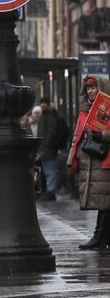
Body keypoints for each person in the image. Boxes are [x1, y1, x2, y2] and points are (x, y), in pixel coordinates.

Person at [68, 76, 110, 250]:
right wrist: (72, 158)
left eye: (93, 87)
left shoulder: (107, 107)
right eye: (88, 88)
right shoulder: (84, 110)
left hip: (105, 161)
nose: (91, 91)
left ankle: (99, 237)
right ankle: (102, 237)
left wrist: (102, 135)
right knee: (104, 200)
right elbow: (76, 136)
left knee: (105, 199)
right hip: (89, 160)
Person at [36, 97, 60, 201]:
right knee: (48, 170)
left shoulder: (49, 115)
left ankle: (51, 192)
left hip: (48, 149)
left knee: (50, 171)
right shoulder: (46, 115)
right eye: (41, 103)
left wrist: (46, 144)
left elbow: (51, 131)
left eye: (44, 103)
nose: (42, 105)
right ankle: (49, 191)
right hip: (46, 149)